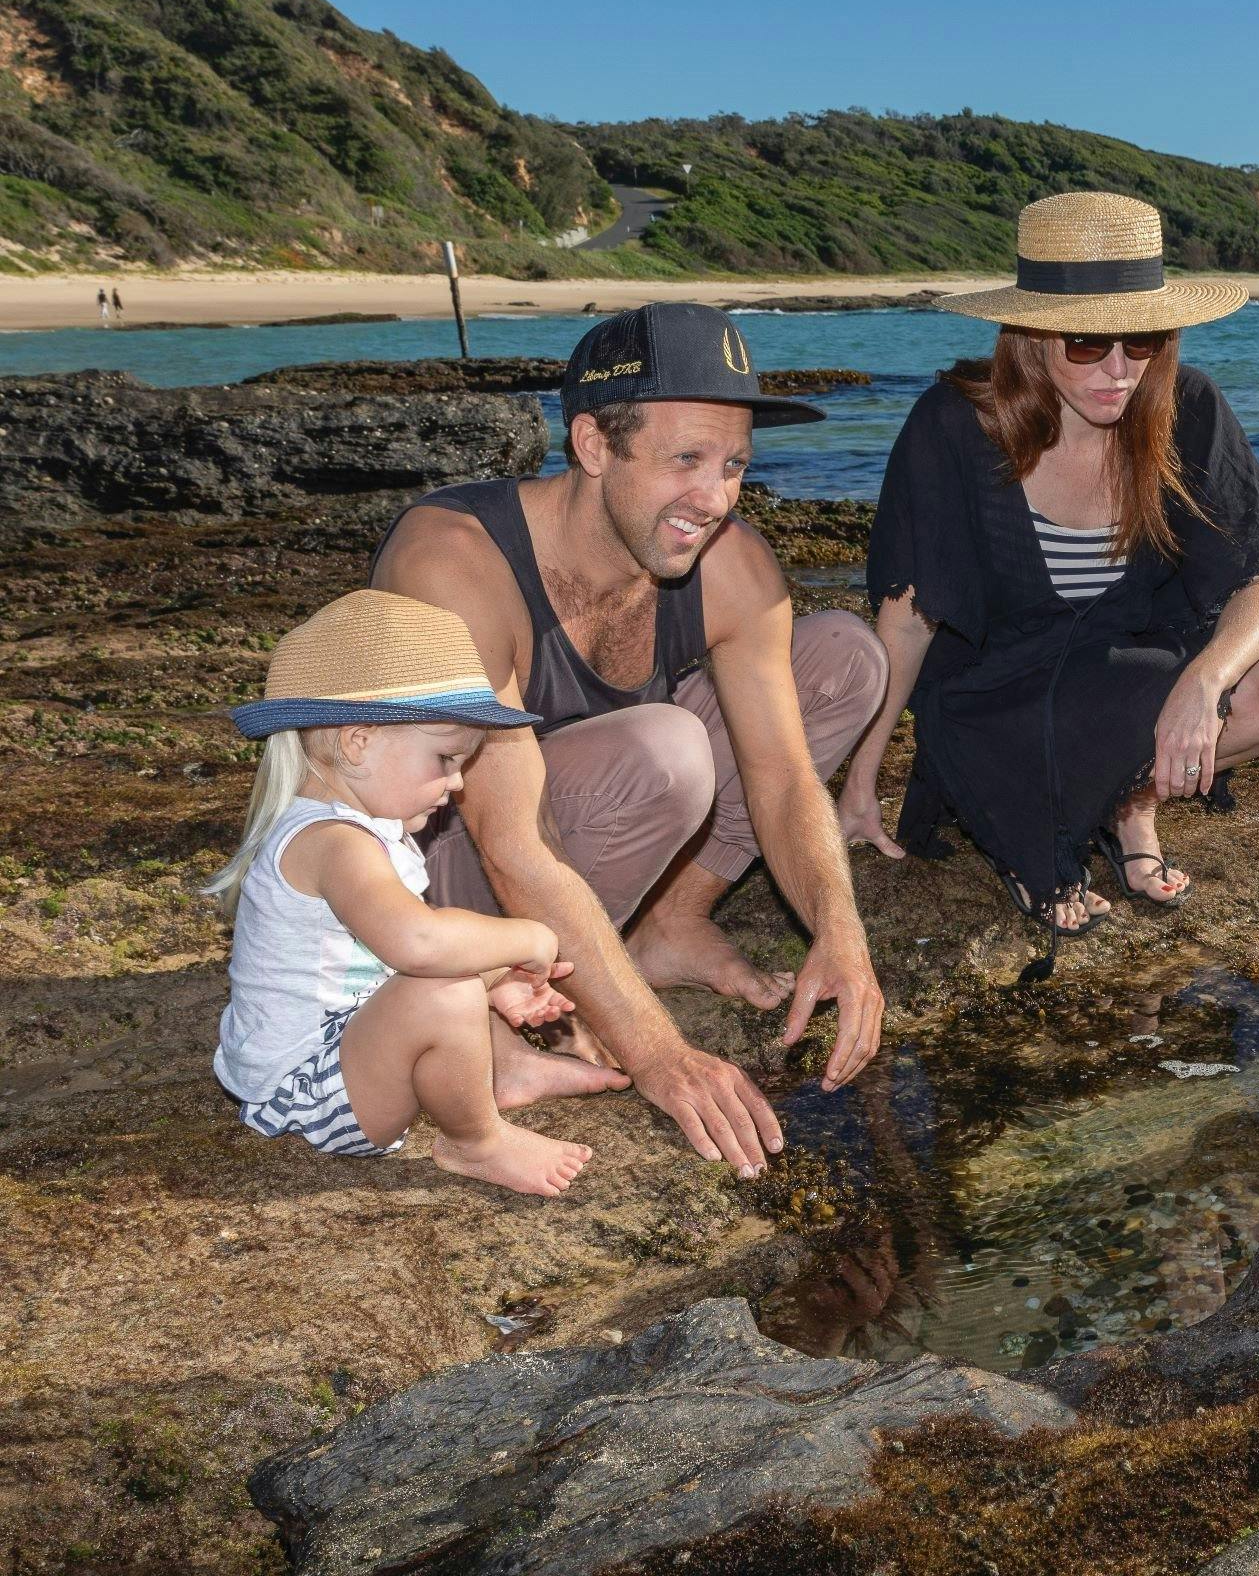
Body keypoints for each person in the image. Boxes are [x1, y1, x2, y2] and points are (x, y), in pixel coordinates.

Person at [372, 303, 890, 1179]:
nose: (715, 498)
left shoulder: (729, 562)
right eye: (685, 460)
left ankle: (662, 926)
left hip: (595, 825)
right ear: (592, 445)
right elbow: (512, 841)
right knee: (666, 751)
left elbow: (782, 776)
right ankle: (527, 997)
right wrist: (657, 1052)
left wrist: (843, 935)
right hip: (449, 873)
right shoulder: (456, 561)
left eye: (732, 466)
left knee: (844, 655)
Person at [844, 192, 1259, 964]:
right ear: (1028, 336)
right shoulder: (953, 424)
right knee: (1131, 697)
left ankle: (1130, 807)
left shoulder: (1185, 405)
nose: (1117, 370)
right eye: (1085, 343)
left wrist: (1203, 683)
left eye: (1141, 342)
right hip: (999, 690)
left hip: (1134, 661)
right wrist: (860, 779)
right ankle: (1035, 839)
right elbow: (907, 617)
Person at [206, 590, 631, 1197]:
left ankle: (503, 1072)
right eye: (444, 758)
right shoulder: (333, 841)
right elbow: (417, 943)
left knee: (454, 976)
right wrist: (529, 937)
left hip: (339, 1053)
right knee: (443, 980)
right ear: (358, 742)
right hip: (303, 1092)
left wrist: (497, 980)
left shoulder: (357, 830)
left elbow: (375, 964)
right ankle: (476, 1143)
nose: (457, 783)